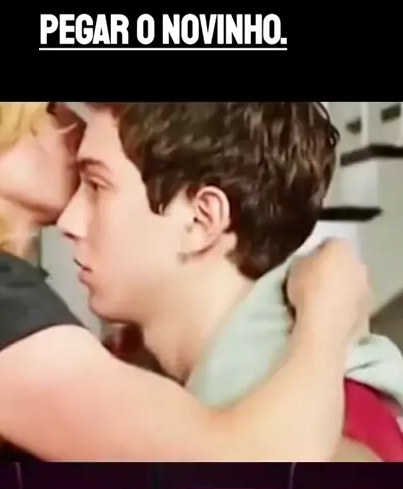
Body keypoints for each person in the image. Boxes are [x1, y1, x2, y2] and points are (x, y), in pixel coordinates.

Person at [0, 101, 368, 462]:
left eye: (97, 185)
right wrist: (329, 309)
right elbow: (248, 470)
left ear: (202, 220)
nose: (73, 122)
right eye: (49, 108)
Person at [58, 101, 403, 461]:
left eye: (97, 186)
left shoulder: (336, 423)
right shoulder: (122, 374)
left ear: (201, 220)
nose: (68, 220)